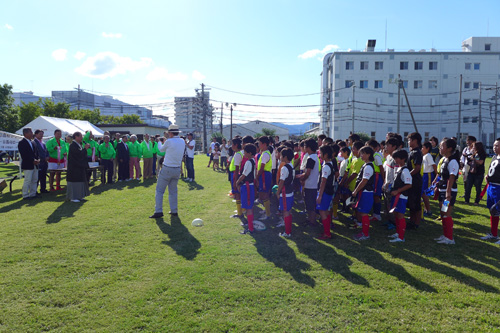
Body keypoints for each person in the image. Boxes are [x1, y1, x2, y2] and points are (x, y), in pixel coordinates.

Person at [150, 125, 186, 218]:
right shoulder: (182, 141)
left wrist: (159, 142)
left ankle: (158, 211)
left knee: (159, 190)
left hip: (167, 168)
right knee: (173, 191)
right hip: (177, 168)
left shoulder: (169, 141)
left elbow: (161, 149)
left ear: (170, 133)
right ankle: (174, 210)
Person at [433, 138, 460, 245]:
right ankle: (445, 235)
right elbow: (441, 175)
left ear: (449, 148)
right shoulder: (444, 159)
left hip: (449, 191)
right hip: (442, 189)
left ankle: (450, 238)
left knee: (447, 213)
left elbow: (452, 178)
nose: (440, 148)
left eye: (442, 146)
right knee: (443, 212)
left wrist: (448, 193)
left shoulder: (453, 161)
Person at [388, 149, 413, 243]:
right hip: (396, 195)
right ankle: (398, 232)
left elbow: (409, 184)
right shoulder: (398, 168)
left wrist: (398, 191)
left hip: (401, 196)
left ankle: (401, 237)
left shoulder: (405, 170)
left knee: (400, 215)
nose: (395, 160)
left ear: (403, 159)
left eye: (396, 158)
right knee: (396, 214)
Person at [352, 146, 376, 241]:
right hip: (364, 192)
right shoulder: (366, 165)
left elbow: (364, 181)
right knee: (362, 212)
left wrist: (356, 191)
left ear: (368, 155)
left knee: (364, 214)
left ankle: (365, 234)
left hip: (366, 193)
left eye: (363, 153)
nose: (361, 155)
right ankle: (363, 232)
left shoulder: (369, 167)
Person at [316, 145, 337, 240]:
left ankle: (327, 233)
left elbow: (323, 181)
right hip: (328, 192)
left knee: (322, 212)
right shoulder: (329, 164)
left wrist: (319, 196)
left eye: (321, 153)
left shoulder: (326, 167)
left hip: (325, 192)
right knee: (326, 212)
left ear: (326, 154)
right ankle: (326, 231)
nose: (319, 155)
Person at [236, 144, 257, 235]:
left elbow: (244, 175)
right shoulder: (253, 161)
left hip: (247, 186)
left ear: (249, 153)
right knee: (249, 207)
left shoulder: (249, 162)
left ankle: (250, 228)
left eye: (245, 152)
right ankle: (250, 226)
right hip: (250, 186)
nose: (243, 153)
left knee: (248, 207)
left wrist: (237, 182)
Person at [482, 138, 500, 244]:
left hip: (498, 188)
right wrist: (487, 176)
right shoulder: (494, 157)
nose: (494, 147)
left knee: (498, 210)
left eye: (497, 145)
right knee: (493, 210)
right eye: (494, 145)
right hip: (491, 187)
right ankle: (493, 234)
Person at [299, 138, 320, 226]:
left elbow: (307, 173)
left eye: (304, 146)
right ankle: (310, 219)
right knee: (309, 204)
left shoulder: (311, 158)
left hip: (311, 185)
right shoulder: (315, 157)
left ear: (308, 147)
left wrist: (301, 178)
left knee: (310, 205)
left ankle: (312, 221)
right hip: (313, 184)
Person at [276, 147, 295, 238]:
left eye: (281, 155)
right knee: (288, 211)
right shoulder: (291, 165)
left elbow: (282, 181)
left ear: (285, 157)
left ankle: (287, 232)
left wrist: (278, 192)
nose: (279, 156)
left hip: (285, 193)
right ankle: (289, 230)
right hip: (290, 192)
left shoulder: (284, 168)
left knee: (285, 212)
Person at [67, 132, 90, 203]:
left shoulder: (79, 145)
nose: (82, 138)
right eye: (80, 136)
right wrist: (85, 149)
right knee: (75, 182)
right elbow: (78, 155)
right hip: (74, 168)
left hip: (79, 167)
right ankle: (73, 197)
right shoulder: (72, 145)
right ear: (76, 137)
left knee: (81, 181)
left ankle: (79, 196)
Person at [406, 132, 423, 229]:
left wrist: (407, 175)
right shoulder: (411, 152)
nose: (408, 142)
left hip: (415, 181)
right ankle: (411, 221)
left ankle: (416, 223)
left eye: (409, 140)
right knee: (411, 203)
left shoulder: (417, 153)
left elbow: (417, 168)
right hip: (410, 181)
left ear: (415, 140)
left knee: (416, 203)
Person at [18, 127, 40, 200]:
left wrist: (38, 159)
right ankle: (25, 195)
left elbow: (36, 153)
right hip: (28, 164)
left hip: (35, 164)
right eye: (30, 132)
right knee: (27, 180)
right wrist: (32, 160)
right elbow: (24, 154)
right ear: (25, 134)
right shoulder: (21, 142)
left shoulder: (33, 142)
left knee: (35, 179)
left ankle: (33, 193)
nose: (32, 133)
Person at [256, 136, 273, 222]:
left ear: (264, 144)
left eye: (259, 143)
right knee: (263, 193)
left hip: (264, 175)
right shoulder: (264, 153)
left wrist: (257, 177)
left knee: (265, 194)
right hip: (264, 175)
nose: (258, 145)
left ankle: (268, 214)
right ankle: (266, 211)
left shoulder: (265, 154)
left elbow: (262, 168)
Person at [229, 138, 244, 218]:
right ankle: (240, 211)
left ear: (236, 145)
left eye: (232, 144)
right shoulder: (237, 153)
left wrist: (235, 181)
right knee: (237, 194)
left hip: (235, 174)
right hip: (234, 173)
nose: (231, 146)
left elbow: (237, 168)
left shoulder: (238, 154)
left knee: (237, 194)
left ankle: (240, 213)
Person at [422, 141, 437, 216]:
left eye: (423, 147)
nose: (422, 149)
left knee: (425, 193)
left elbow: (434, 165)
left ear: (427, 148)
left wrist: (437, 174)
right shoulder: (424, 155)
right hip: (423, 175)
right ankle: (425, 209)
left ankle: (429, 210)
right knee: (424, 193)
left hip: (428, 175)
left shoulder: (428, 155)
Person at [33, 129, 49, 194]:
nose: (42, 135)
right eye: (40, 134)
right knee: (37, 177)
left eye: (42, 134)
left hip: (45, 162)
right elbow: (36, 153)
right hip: (39, 162)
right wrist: (42, 158)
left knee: (43, 176)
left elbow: (46, 151)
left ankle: (43, 189)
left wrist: (47, 157)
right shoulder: (34, 142)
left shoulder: (43, 143)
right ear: (36, 134)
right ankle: (34, 190)